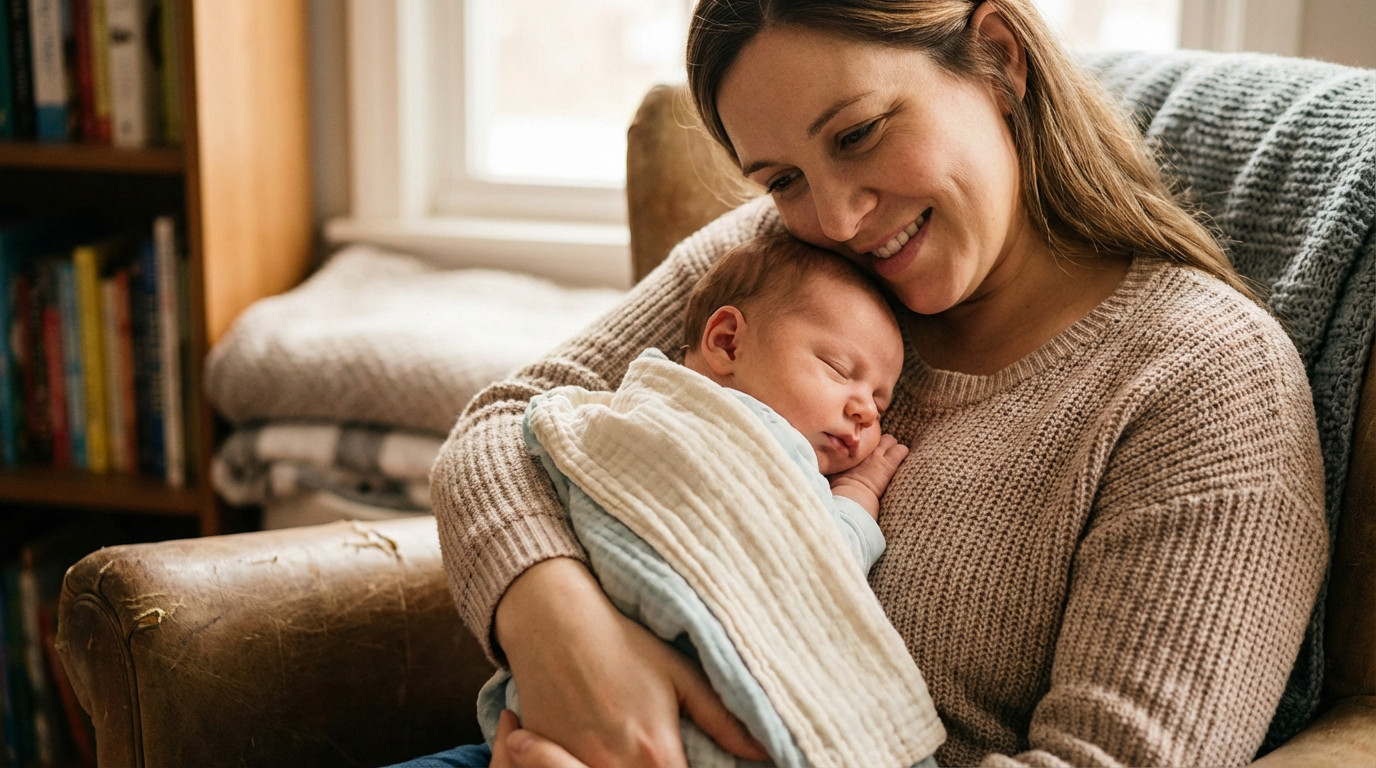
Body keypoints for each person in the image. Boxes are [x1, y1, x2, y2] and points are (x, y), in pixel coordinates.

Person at [425, 1, 1328, 766]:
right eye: (782, 179)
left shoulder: (1201, 380)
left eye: (858, 134)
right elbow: (506, 423)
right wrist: (572, 646)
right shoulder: (784, 270)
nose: (839, 217)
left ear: (1000, 61)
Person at [468, 230, 933, 767]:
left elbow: (802, 581)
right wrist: (856, 498)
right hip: (579, 695)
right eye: (838, 369)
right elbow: (826, 559)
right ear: (728, 342)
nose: (866, 413)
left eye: (880, 400)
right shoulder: (679, 421)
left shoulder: (792, 468)